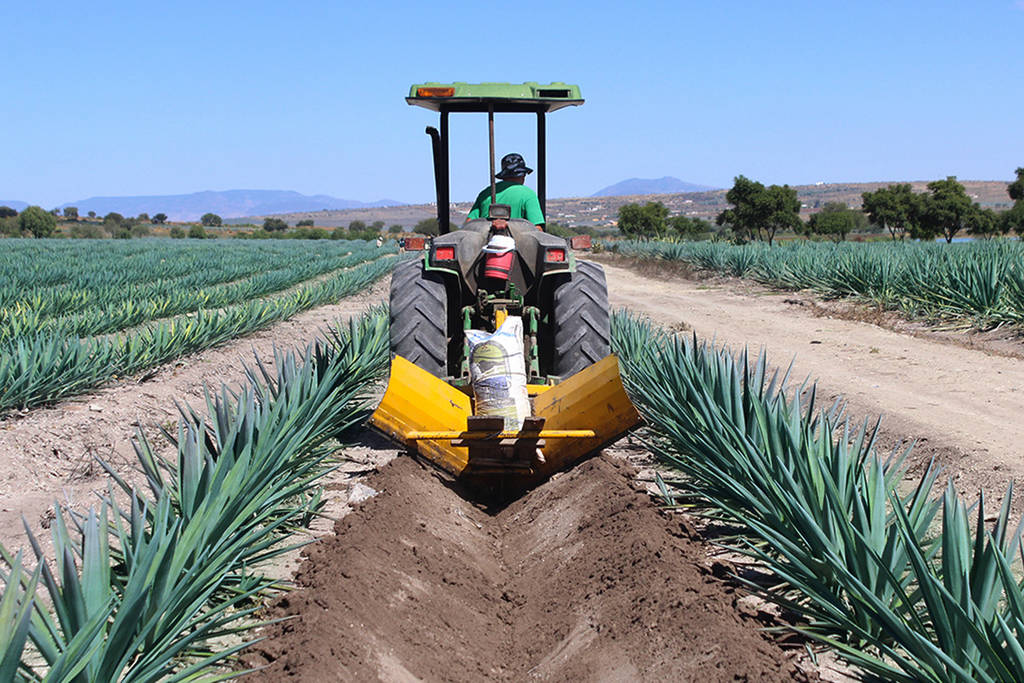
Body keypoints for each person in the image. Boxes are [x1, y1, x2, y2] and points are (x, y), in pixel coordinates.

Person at [467, 153, 545, 229]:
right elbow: (537, 229)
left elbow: (469, 224)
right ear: (523, 174)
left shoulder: (485, 193)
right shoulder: (528, 194)